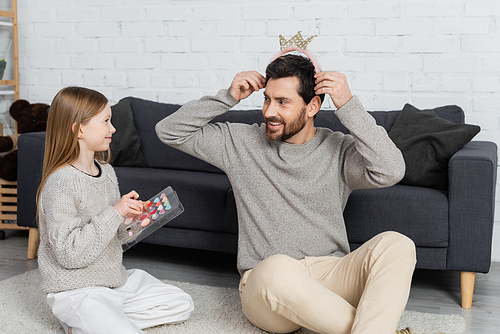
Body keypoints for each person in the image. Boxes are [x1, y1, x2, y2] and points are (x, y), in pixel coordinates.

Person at [156, 54, 416, 334]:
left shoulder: (338, 149)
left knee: (398, 244)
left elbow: (391, 170)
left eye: (283, 102)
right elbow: (168, 131)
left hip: (330, 275)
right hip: (267, 287)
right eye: (267, 99)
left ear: (312, 106)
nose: (269, 111)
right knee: (277, 268)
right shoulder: (240, 143)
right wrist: (227, 97)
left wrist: (348, 105)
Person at [36, 86, 194, 334]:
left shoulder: (106, 171)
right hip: (77, 289)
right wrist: (114, 212)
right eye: (106, 121)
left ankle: (90, 323)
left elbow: (112, 239)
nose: (113, 129)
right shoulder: (61, 182)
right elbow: (69, 254)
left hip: (112, 281)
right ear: (79, 129)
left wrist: (132, 221)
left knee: (182, 304)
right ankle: (84, 318)